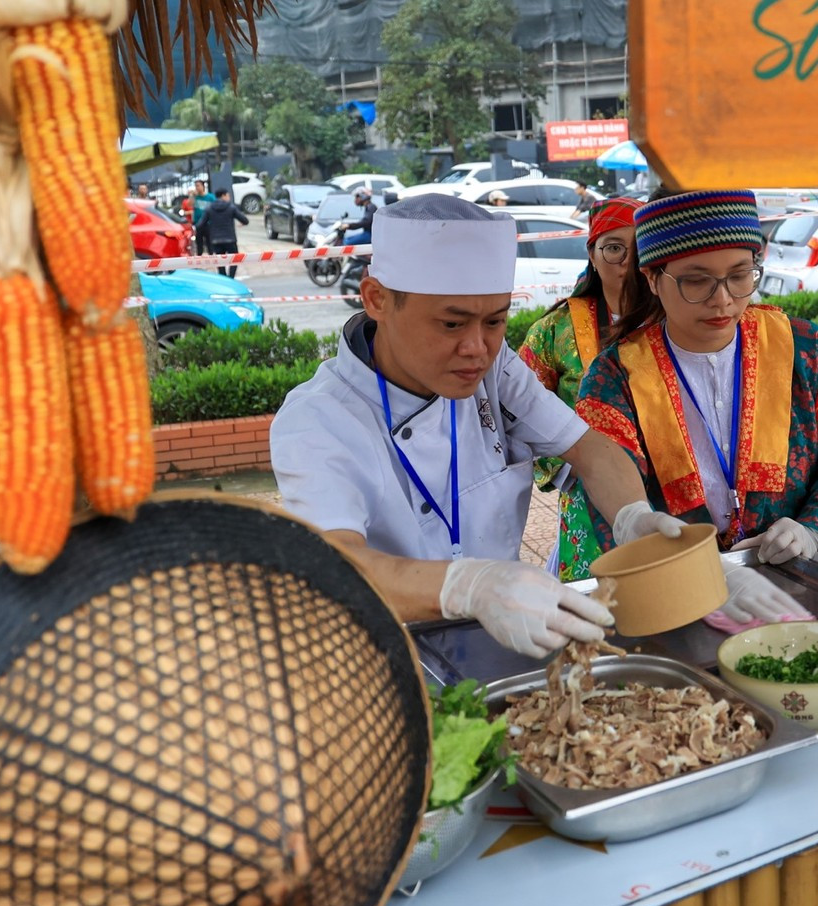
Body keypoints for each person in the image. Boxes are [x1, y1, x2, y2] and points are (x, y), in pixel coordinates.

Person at [269, 194, 788, 656]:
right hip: (385, 653)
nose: (476, 348)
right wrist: (469, 586)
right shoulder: (319, 421)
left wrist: (634, 520)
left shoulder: (494, 370)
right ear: (377, 299)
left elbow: (589, 449)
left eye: (495, 321)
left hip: (498, 637)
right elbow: (333, 565)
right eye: (451, 323)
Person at [575, 189, 818, 566]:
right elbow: (610, 499)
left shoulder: (804, 350)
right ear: (652, 277)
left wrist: (813, 530)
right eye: (697, 282)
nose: (723, 300)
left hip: (797, 579)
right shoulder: (614, 378)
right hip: (681, 588)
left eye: (739, 276)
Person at [519, 199, 647, 577]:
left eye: (639, 248)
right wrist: (571, 469)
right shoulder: (553, 331)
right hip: (584, 491)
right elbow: (519, 412)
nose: (627, 261)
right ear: (592, 253)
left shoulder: (676, 323)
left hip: (670, 486)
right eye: (613, 248)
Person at [196, 190, 248, 277]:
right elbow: (245, 220)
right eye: (228, 195)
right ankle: (231, 277)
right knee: (234, 259)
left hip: (216, 240)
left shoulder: (209, 208)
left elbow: (200, 225)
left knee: (220, 262)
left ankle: (224, 278)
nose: (229, 197)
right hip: (230, 239)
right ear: (223, 195)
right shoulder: (231, 207)